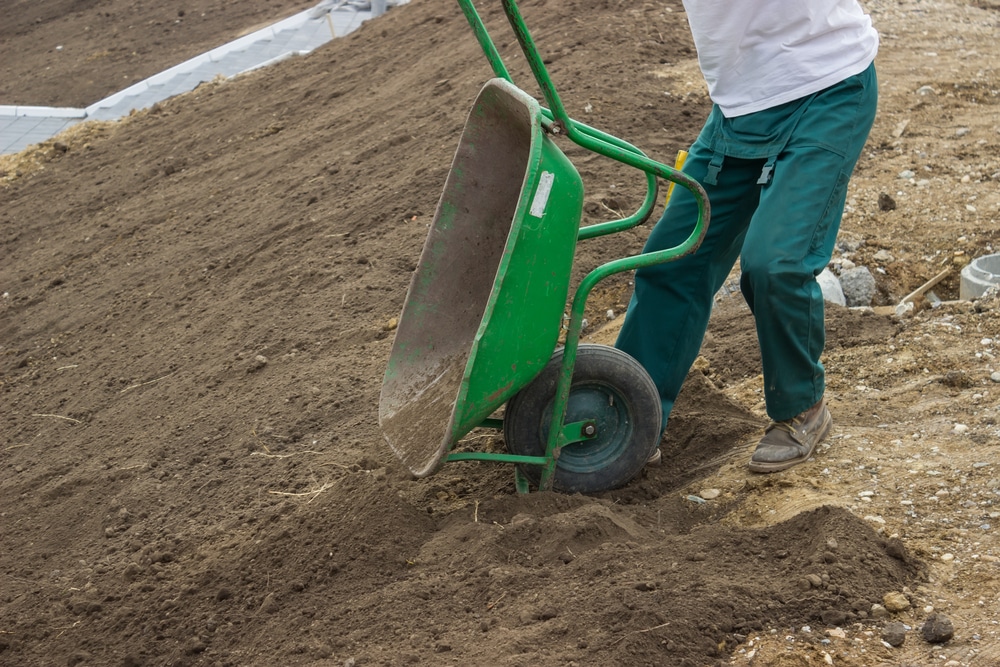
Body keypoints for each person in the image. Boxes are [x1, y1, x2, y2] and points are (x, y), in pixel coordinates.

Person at [616, 0, 879, 472]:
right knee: (672, 260)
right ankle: (631, 416)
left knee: (775, 262)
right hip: (739, 109)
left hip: (827, 86)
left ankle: (803, 407)